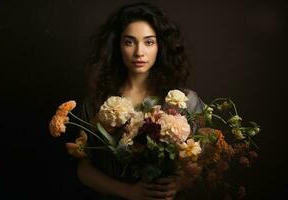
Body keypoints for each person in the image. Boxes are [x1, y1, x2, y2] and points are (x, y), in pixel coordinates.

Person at [77, 2, 204, 200]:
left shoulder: (185, 101)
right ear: (117, 46)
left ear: (160, 46)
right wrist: (127, 192)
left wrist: (178, 184)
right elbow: (84, 169)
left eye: (149, 42)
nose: (139, 52)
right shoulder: (97, 103)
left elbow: (199, 162)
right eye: (129, 42)